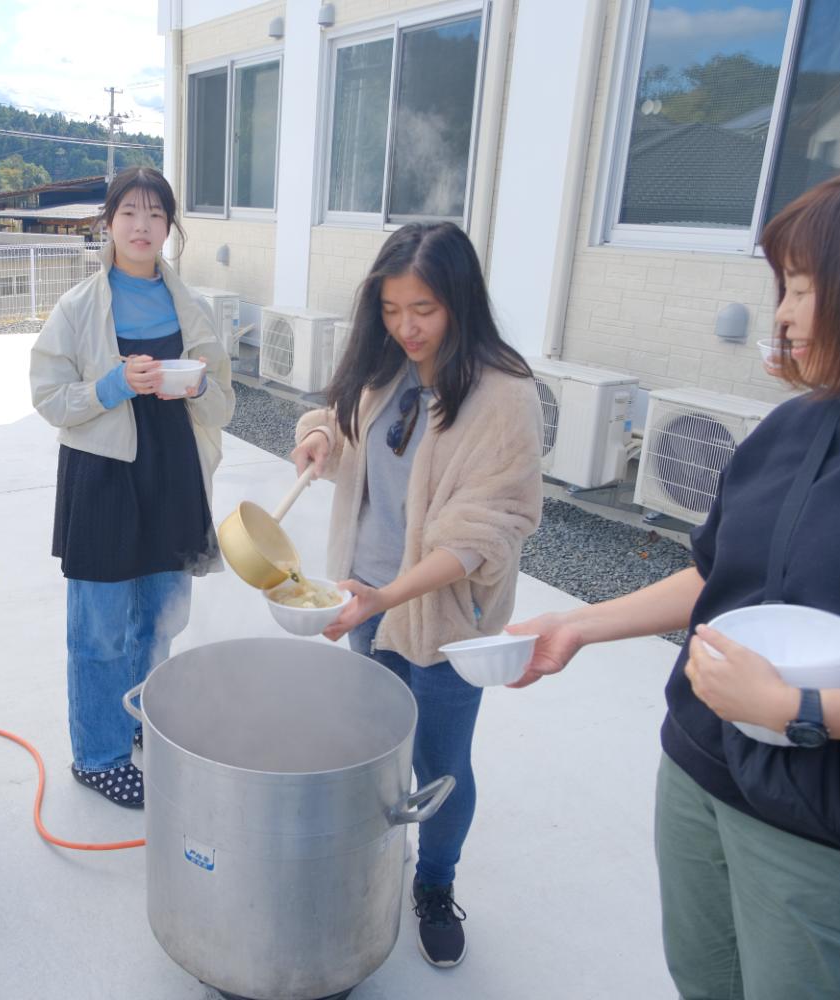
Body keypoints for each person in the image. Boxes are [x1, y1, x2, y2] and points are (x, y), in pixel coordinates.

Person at [508, 154, 840, 999]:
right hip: (700, 770)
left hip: (830, 832)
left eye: (803, 287)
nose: (784, 313)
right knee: (702, 981)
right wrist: (577, 624)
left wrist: (799, 711)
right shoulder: (796, 425)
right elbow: (717, 575)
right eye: (783, 288)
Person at [289, 222, 542, 968]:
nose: (407, 327)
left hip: (444, 618)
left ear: (460, 300)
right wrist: (319, 439)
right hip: (363, 591)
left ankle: (434, 882)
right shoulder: (385, 366)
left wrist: (390, 596)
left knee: (441, 764)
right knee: (371, 746)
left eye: (423, 309)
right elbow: (344, 424)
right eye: (392, 309)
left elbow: (485, 531)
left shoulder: (504, 394)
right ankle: (370, 859)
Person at [30, 166, 233, 808]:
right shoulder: (78, 307)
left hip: (172, 473)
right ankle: (99, 755)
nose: (142, 226)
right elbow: (49, 397)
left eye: (155, 214)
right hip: (103, 478)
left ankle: (146, 720)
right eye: (129, 213)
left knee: (161, 617)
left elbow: (224, 404)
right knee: (99, 628)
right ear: (108, 222)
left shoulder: (192, 306)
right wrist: (114, 385)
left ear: (170, 227)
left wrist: (199, 385)